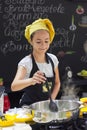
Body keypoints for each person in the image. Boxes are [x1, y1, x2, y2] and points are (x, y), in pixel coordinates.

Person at [11, 18, 60, 106]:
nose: (43, 45)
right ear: (31, 41)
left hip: (46, 108)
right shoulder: (26, 63)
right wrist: (32, 80)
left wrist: (51, 100)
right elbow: (14, 86)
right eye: (38, 42)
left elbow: (57, 83)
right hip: (29, 108)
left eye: (46, 41)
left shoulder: (53, 59)